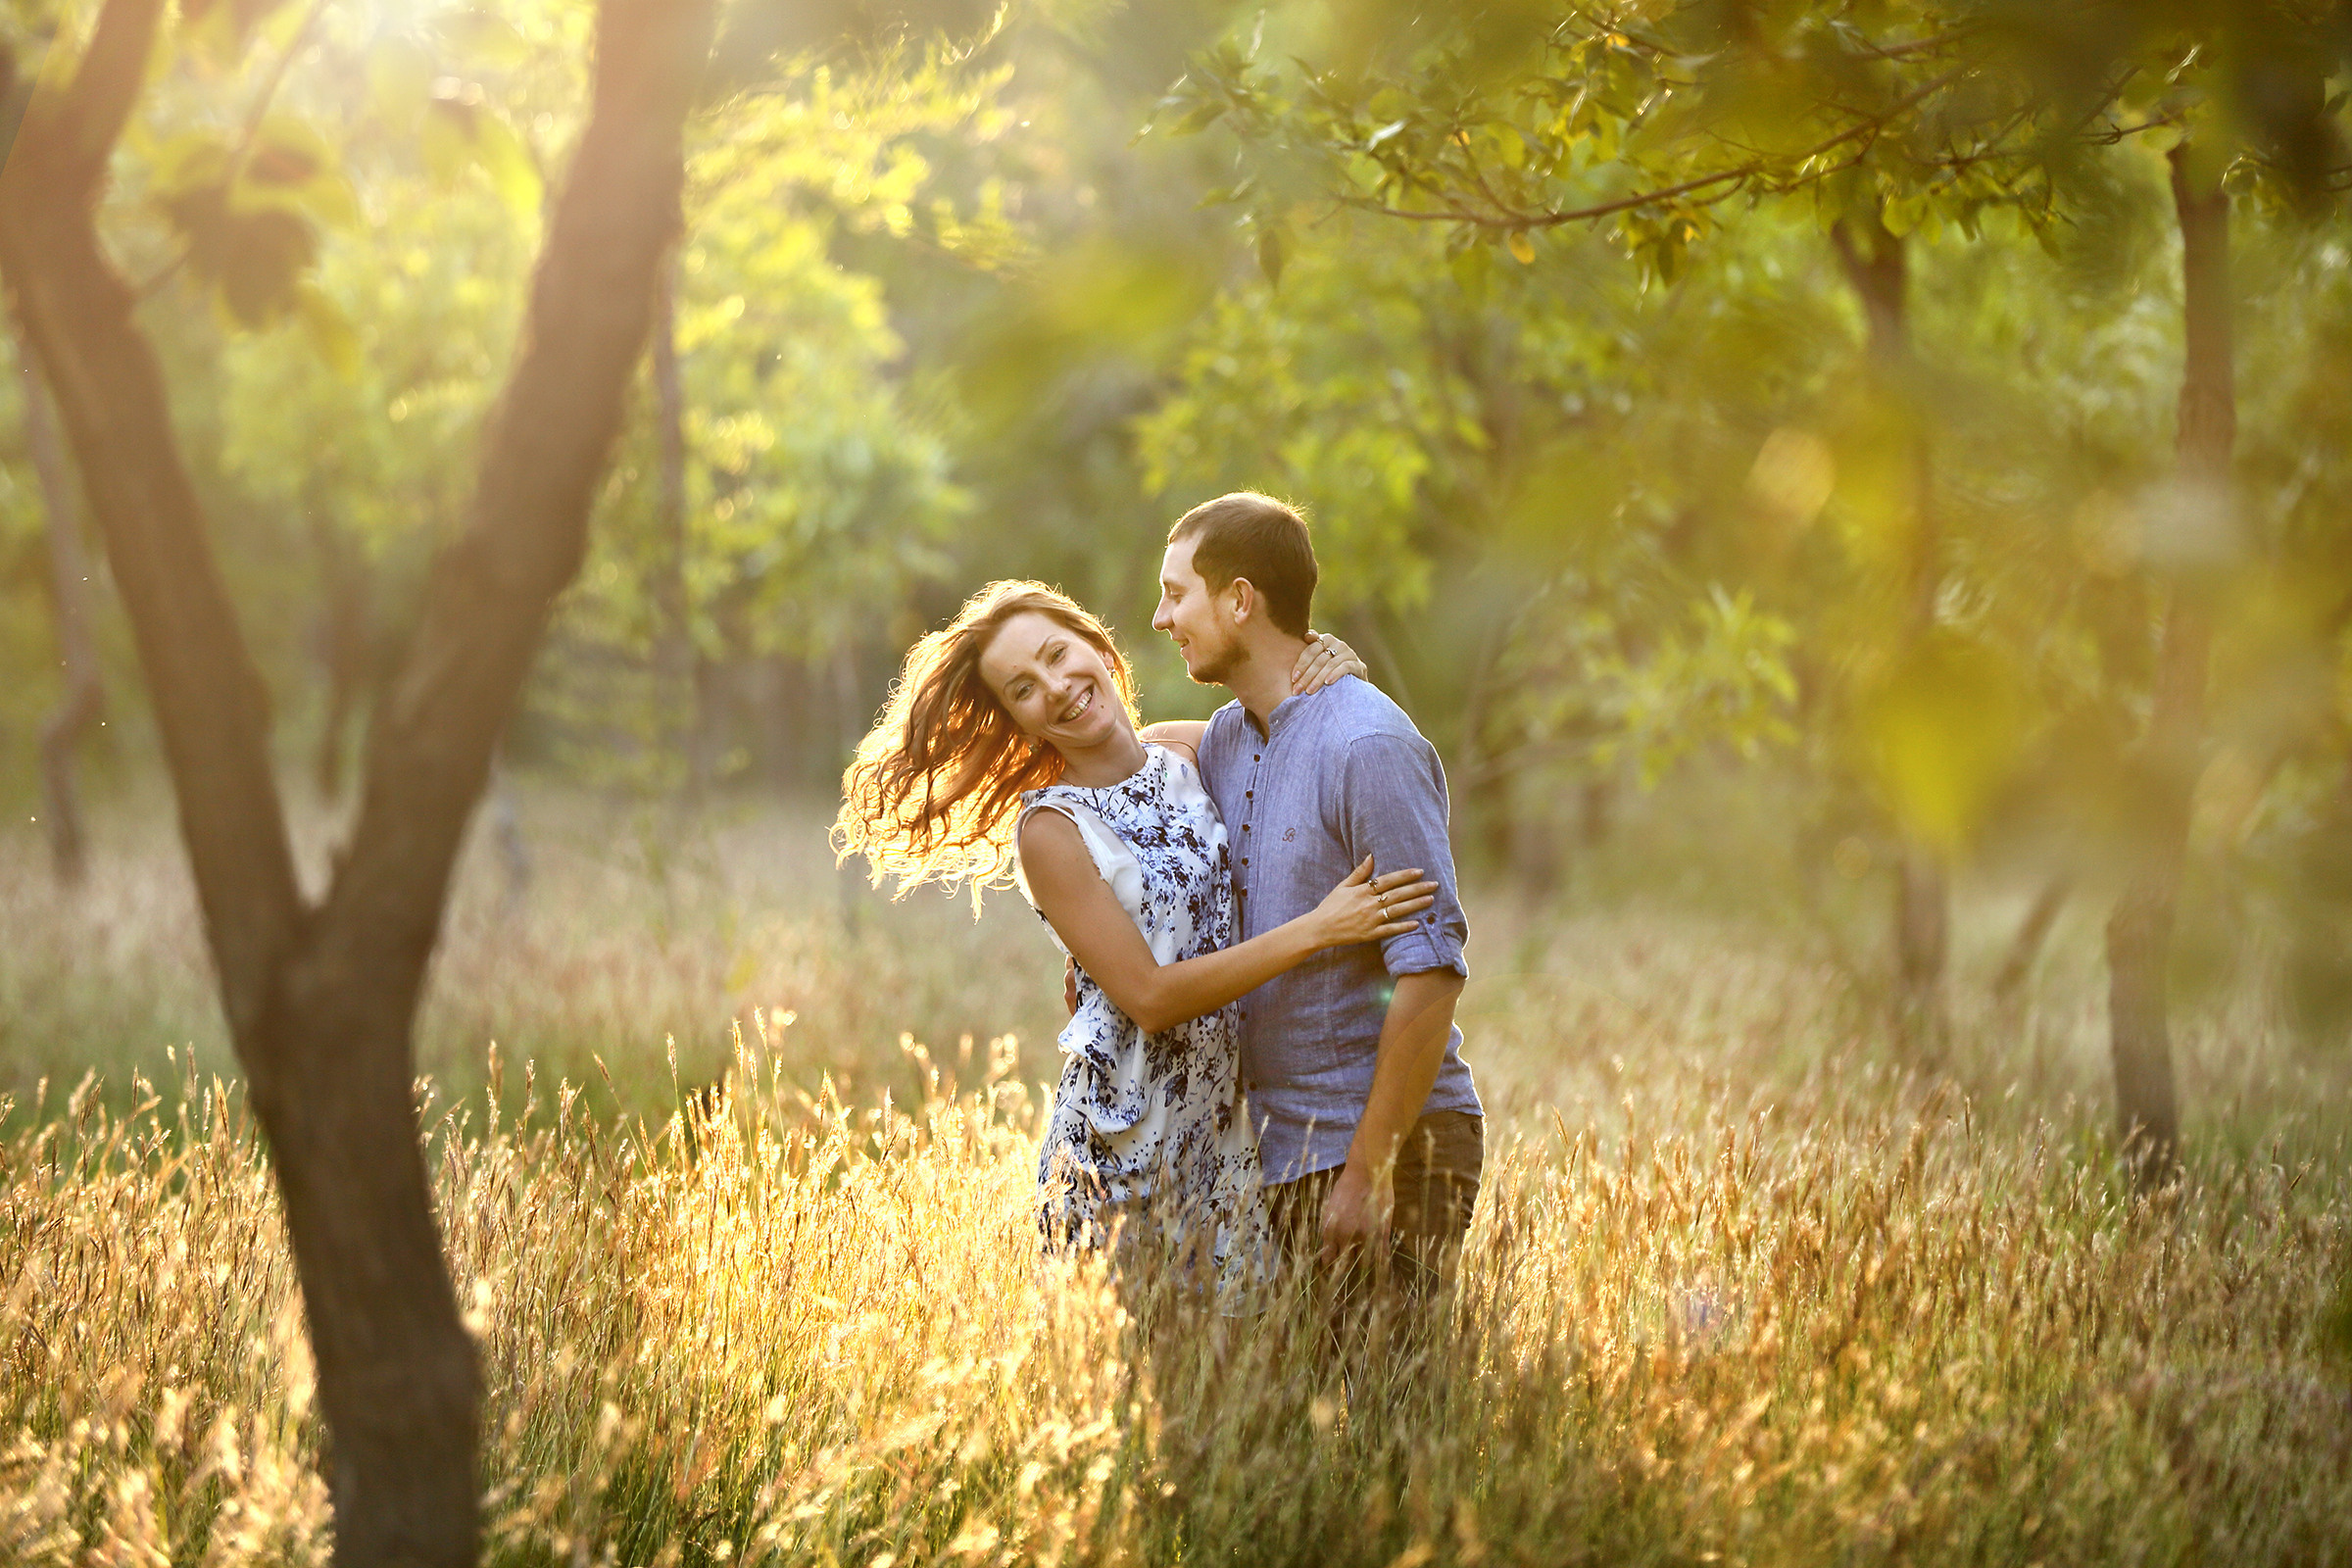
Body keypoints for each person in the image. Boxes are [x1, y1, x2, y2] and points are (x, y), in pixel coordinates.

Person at [831, 580, 1439, 1295]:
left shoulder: (1188, 749)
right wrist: (1318, 929)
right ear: (1018, 722)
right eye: (1024, 688)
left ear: (1096, 643)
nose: (1057, 687)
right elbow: (1149, 997)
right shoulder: (1051, 830)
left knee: (1251, 1384)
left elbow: (1297, 729)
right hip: (1123, 1150)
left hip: (1228, 1136)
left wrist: (1332, 661)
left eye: (1059, 654)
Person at [1147, 492, 1484, 1323]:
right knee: (1311, 1436)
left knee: (1390, 1429)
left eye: (1176, 593)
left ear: (1239, 599)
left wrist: (1369, 1172)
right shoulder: (1228, 738)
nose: (1160, 618)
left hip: (1386, 1151)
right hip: (1279, 1153)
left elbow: (1432, 975)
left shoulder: (1369, 745)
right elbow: (1122, 747)